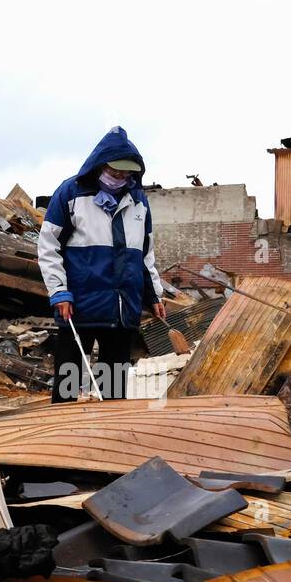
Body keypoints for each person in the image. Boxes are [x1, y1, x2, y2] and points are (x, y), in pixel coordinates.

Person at [38, 126, 167, 403]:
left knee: (113, 389)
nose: (120, 178)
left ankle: (108, 439)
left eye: (126, 174)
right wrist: (59, 291)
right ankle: (62, 436)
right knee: (68, 387)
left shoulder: (139, 202)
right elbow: (48, 247)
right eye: (115, 172)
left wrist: (153, 294)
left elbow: (145, 255)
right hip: (79, 307)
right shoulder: (70, 193)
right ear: (99, 165)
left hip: (121, 311)